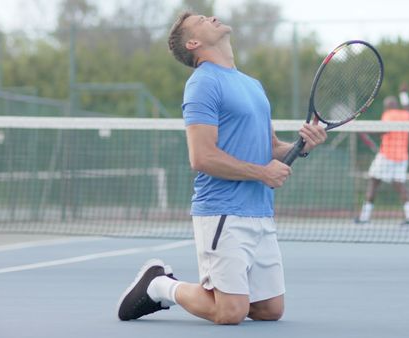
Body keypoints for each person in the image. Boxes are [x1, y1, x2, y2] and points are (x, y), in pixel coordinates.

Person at [116, 12, 327, 325]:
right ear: (194, 43)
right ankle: (160, 285)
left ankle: (214, 293)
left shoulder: (252, 85)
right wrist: (262, 173)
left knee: (270, 310)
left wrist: (302, 146)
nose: (212, 17)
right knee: (231, 312)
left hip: (260, 212)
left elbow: (270, 150)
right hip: (222, 212)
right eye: (202, 20)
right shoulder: (202, 84)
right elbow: (201, 157)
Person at [355, 87, 409, 226]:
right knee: (400, 186)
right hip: (402, 157)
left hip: (387, 156)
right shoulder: (405, 115)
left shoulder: (388, 115)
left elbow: (383, 130)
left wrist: (363, 130)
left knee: (373, 182)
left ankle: (365, 218)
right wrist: (403, 94)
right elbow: (408, 108)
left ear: (388, 106)